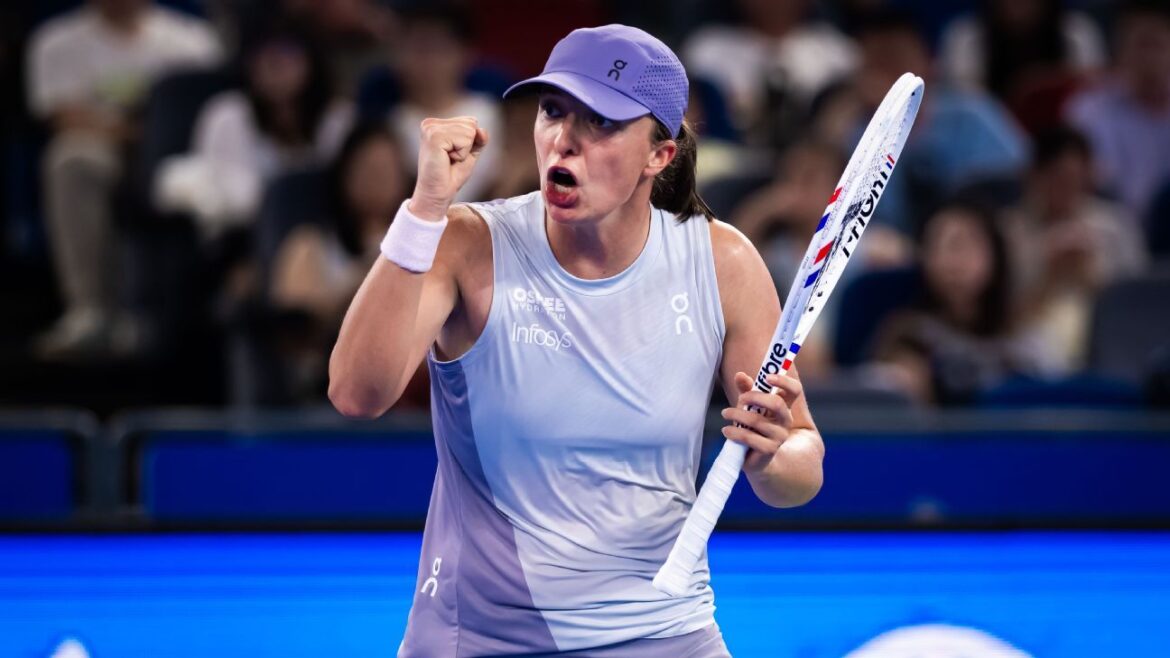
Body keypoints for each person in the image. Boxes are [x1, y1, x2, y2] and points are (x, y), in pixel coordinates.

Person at [329, 24, 824, 656]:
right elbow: (355, 394)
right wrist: (423, 210)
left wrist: (772, 457)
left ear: (659, 155)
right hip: (484, 638)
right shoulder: (466, 244)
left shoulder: (721, 262)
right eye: (553, 111)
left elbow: (801, 466)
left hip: (665, 632)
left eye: (601, 123)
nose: (564, 139)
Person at [26, 0, 221, 358]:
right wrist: (137, 133)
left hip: (180, 155)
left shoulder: (193, 41)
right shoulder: (57, 41)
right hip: (107, 151)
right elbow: (63, 116)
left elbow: (214, 108)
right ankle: (90, 310)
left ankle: (200, 314)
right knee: (70, 158)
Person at [154, 21, 352, 239]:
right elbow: (233, 201)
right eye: (266, 57)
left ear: (310, 61)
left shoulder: (338, 118)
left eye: (287, 54)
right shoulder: (226, 114)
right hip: (243, 238)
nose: (277, 66)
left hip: (326, 236)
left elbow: (349, 194)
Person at [871, 201, 1055, 405]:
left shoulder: (1026, 340)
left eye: (962, 246)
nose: (951, 262)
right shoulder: (909, 335)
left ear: (995, 253)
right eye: (937, 247)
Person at [1002, 126, 1146, 372]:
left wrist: (1092, 277)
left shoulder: (1116, 227)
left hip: (1108, 350)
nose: (1065, 190)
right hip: (1026, 356)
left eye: (1074, 180)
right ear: (1032, 176)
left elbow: (1139, 307)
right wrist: (1047, 276)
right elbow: (996, 318)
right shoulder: (1007, 232)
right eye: (1055, 179)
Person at [1065, 0, 1170, 219]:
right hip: (1114, 229)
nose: (1149, 57)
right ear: (1119, 48)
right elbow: (1088, 187)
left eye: (1157, 44)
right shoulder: (1088, 112)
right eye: (1141, 44)